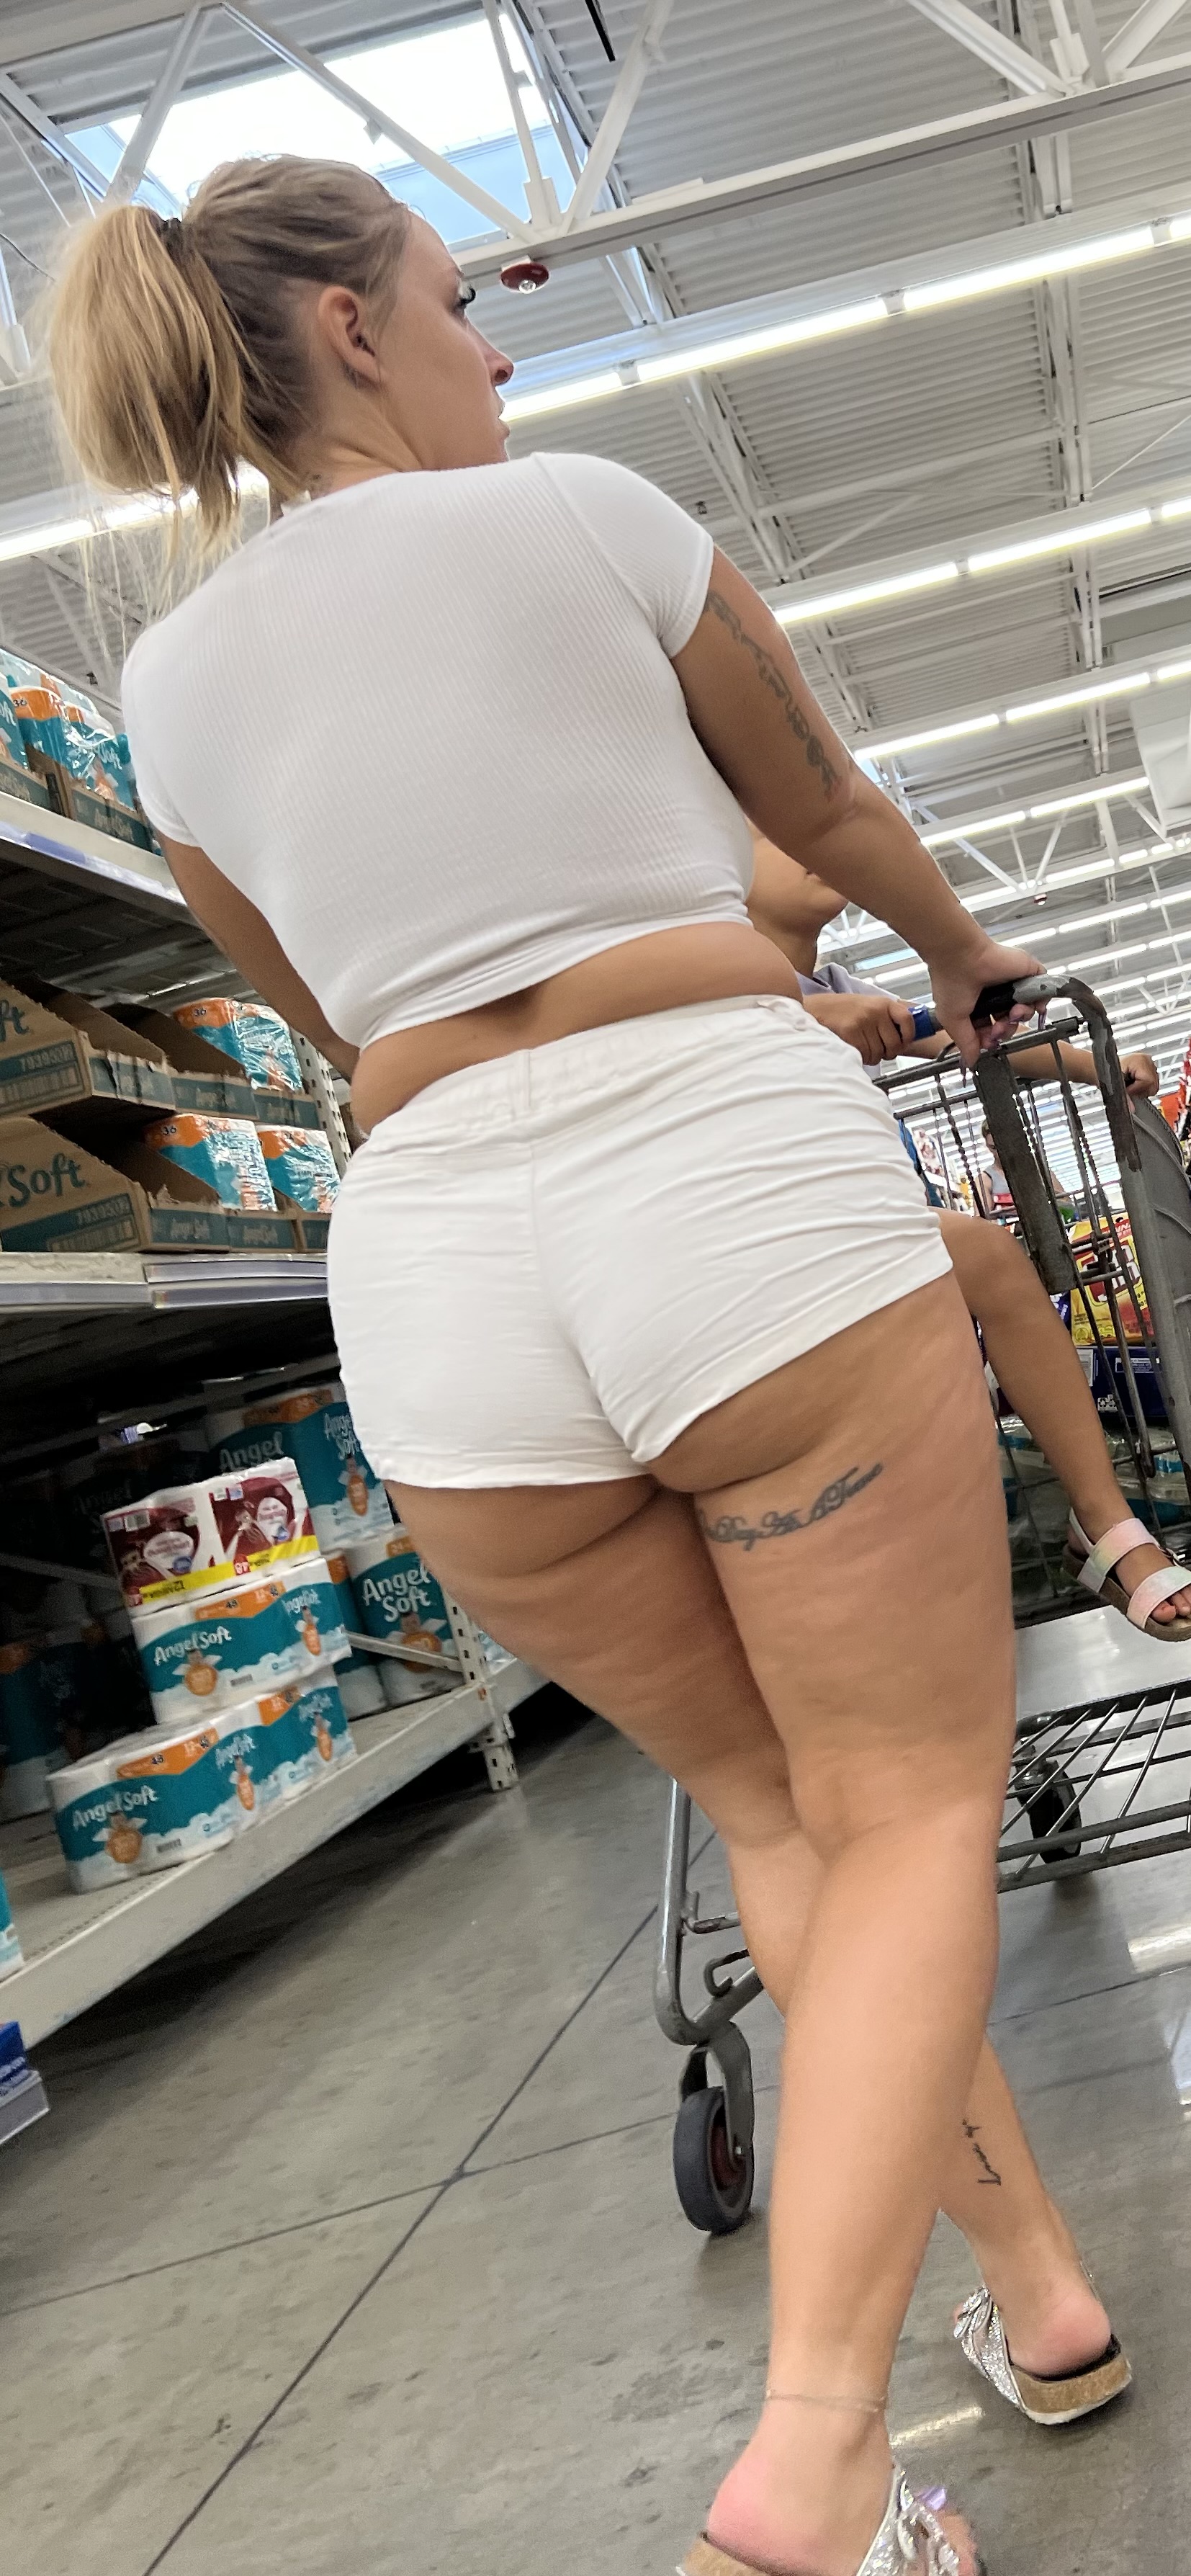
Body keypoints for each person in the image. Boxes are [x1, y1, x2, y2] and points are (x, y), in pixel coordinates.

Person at [50, 159, 1086, 2576]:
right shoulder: (591, 515)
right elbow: (817, 807)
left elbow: (335, 1009)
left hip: (436, 1275)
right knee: (907, 1803)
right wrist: (962, 964)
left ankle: (1036, 2294)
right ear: (348, 326)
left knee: (784, 1819)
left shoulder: (162, 696)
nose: (492, 348)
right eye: (454, 300)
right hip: (724, 1193)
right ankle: (812, 2451)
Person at [748, 834, 1191, 1639]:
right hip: (773, 1241)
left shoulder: (843, 983)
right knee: (987, 1258)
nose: (804, 840)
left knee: (957, 1342)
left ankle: (1074, 1525)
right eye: (768, 833)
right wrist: (797, 1019)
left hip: (870, 1232)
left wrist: (1096, 1064)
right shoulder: (710, 993)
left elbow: (971, 1039)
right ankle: (1099, 1519)